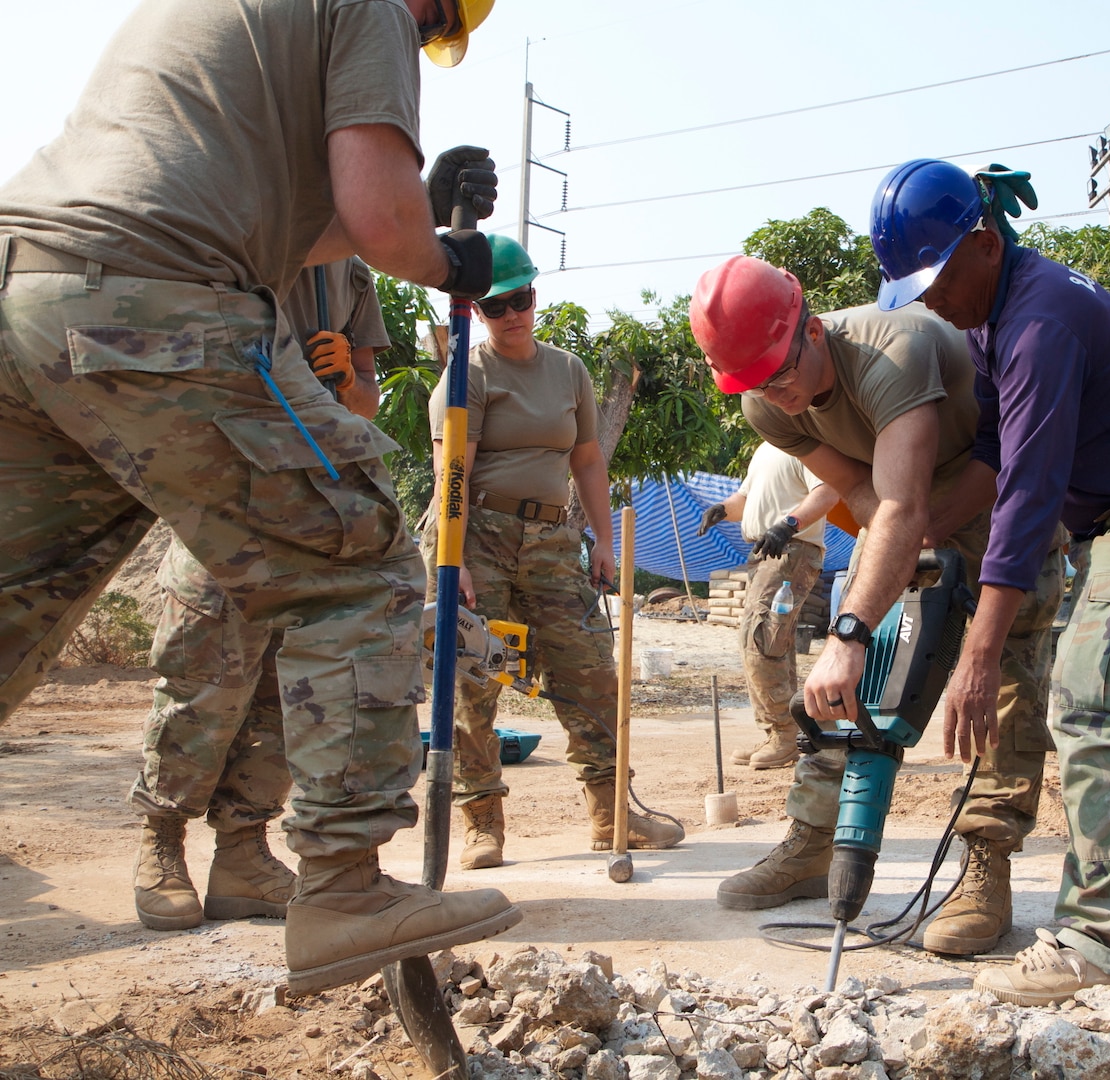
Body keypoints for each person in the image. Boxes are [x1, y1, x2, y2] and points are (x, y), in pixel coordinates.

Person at [0, 0, 521, 997]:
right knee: (358, 557)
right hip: (144, 302)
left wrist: (423, 185)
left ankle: (263, 853)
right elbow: (381, 223)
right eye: (440, 21)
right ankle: (344, 891)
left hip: (26, 295)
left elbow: (311, 221)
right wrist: (450, 255)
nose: (424, 36)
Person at [869, 159, 1110, 1004]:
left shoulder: (1042, 325)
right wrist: (915, 530)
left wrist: (978, 653)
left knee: (1091, 700)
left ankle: (1097, 942)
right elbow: (999, 461)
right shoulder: (990, 318)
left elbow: (1033, 498)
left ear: (983, 243)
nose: (929, 299)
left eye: (933, 279)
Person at [689, 256, 1063, 957]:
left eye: (782, 369)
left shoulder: (894, 350)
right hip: (896, 504)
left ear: (812, 327)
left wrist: (857, 620)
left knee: (1002, 679)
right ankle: (813, 841)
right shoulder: (765, 400)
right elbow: (862, 493)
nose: (779, 391)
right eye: (758, 382)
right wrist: (864, 618)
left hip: (994, 489)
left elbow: (912, 498)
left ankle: (987, 865)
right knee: (847, 679)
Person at [127, 259, 391, 931]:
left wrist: (347, 379)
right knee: (204, 673)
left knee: (285, 688)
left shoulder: (352, 280)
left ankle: (242, 854)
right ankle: (161, 843)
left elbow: (366, 400)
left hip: (309, 502)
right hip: (226, 492)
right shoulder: (241, 242)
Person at [423, 235, 684, 868]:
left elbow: (588, 459)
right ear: (476, 312)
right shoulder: (467, 376)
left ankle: (610, 811)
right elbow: (450, 473)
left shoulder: (568, 370)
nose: (514, 314)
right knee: (472, 682)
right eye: (498, 305)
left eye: (524, 298)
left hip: (552, 538)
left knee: (590, 669)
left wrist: (601, 540)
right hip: (477, 535)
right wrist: (451, 564)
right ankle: (482, 821)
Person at [698, 441, 840, 770]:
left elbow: (828, 491)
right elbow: (745, 501)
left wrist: (787, 524)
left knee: (760, 638)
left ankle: (784, 735)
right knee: (772, 641)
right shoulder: (765, 449)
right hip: (768, 551)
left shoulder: (804, 443)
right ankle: (788, 730)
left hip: (791, 549)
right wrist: (721, 509)